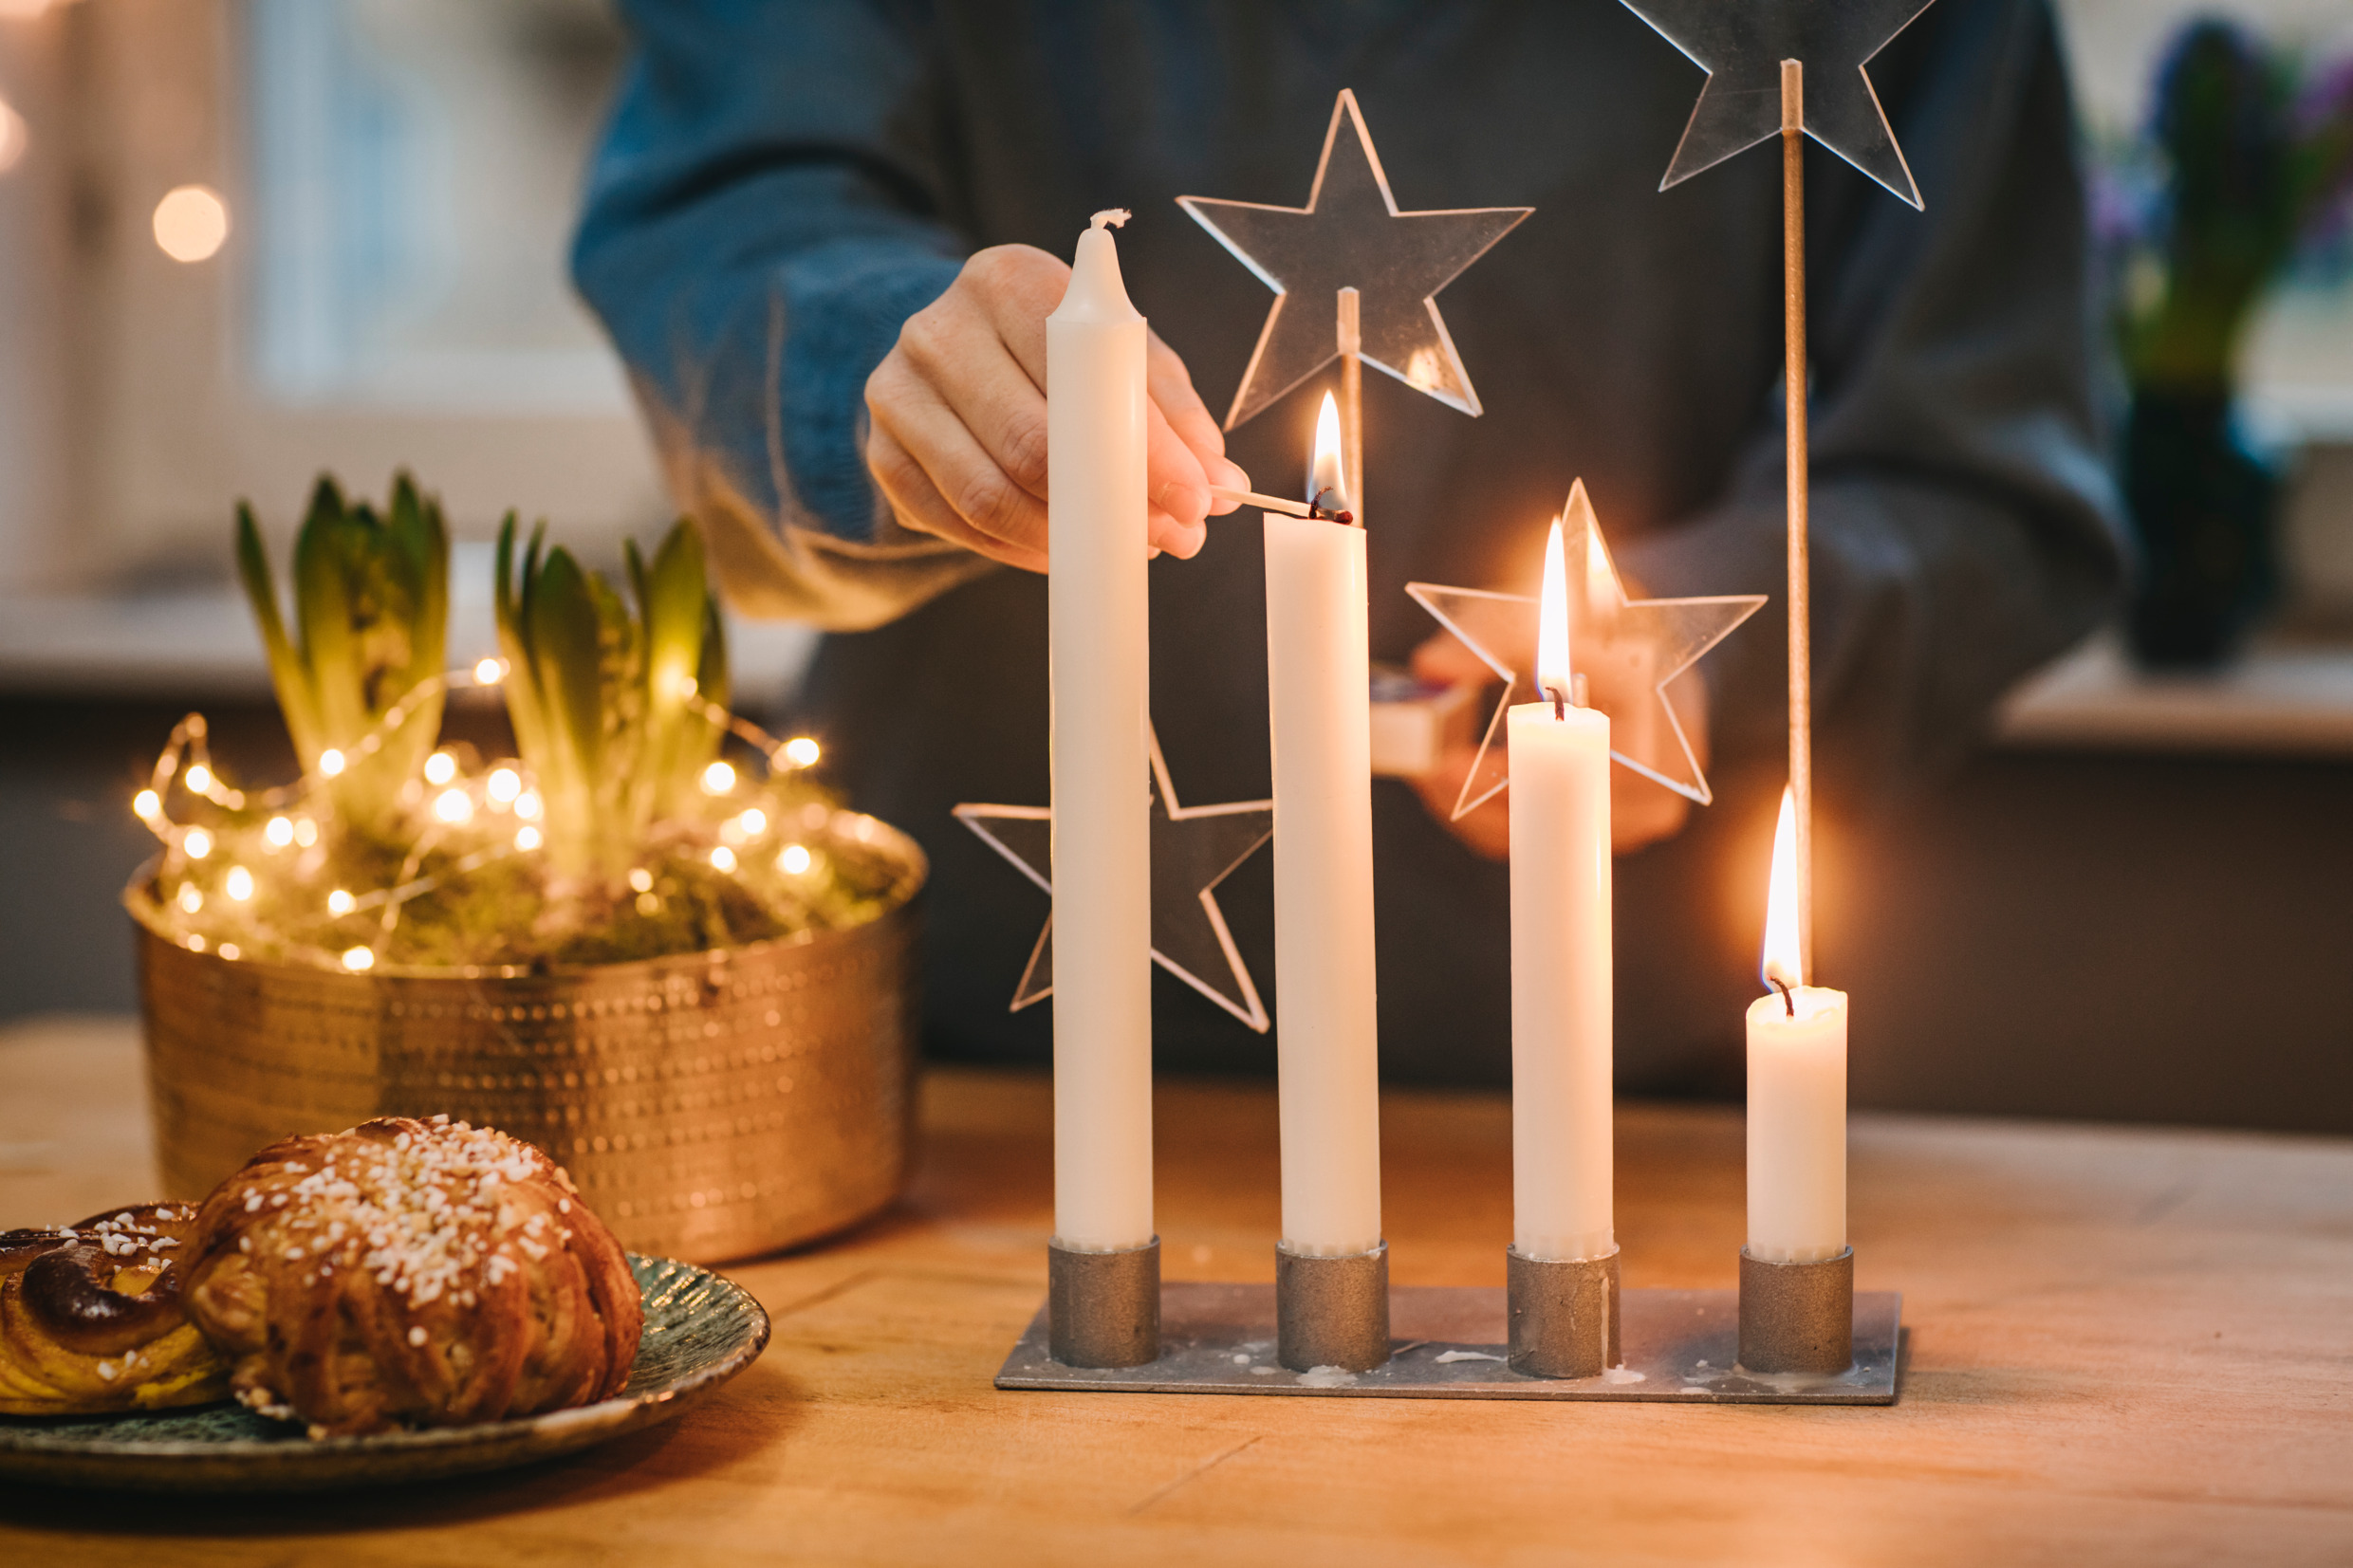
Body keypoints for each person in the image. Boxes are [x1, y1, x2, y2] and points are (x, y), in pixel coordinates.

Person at [572, 0, 2126, 1092]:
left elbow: (1982, 466)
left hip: (1619, 1122)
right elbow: (734, 216)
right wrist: (898, 380)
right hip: (974, 1111)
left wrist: (1694, 638)